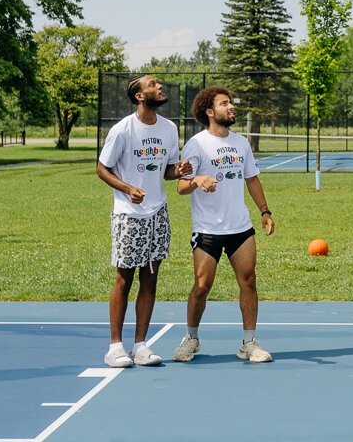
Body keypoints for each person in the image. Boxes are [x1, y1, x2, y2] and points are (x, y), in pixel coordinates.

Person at [171, 86, 277, 363]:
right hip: (207, 230)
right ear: (210, 111)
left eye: (231, 102)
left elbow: (252, 178)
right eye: (224, 103)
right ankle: (191, 338)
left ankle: (249, 343)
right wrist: (196, 180)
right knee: (202, 285)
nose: (231, 107)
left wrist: (264, 211)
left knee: (249, 281)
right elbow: (181, 186)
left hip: (240, 228)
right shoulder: (197, 144)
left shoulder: (241, 143)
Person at [96, 74, 193, 368]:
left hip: (158, 212)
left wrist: (180, 170)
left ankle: (140, 345)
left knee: (150, 277)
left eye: (158, 84)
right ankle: (115, 347)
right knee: (124, 278)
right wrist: (127, 188)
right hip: (128, 214)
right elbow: (102, 168)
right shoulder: (123, 129)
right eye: (152, 85)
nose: (159, 87)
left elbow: (167, 171)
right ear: (140, 96)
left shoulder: (168, 128)